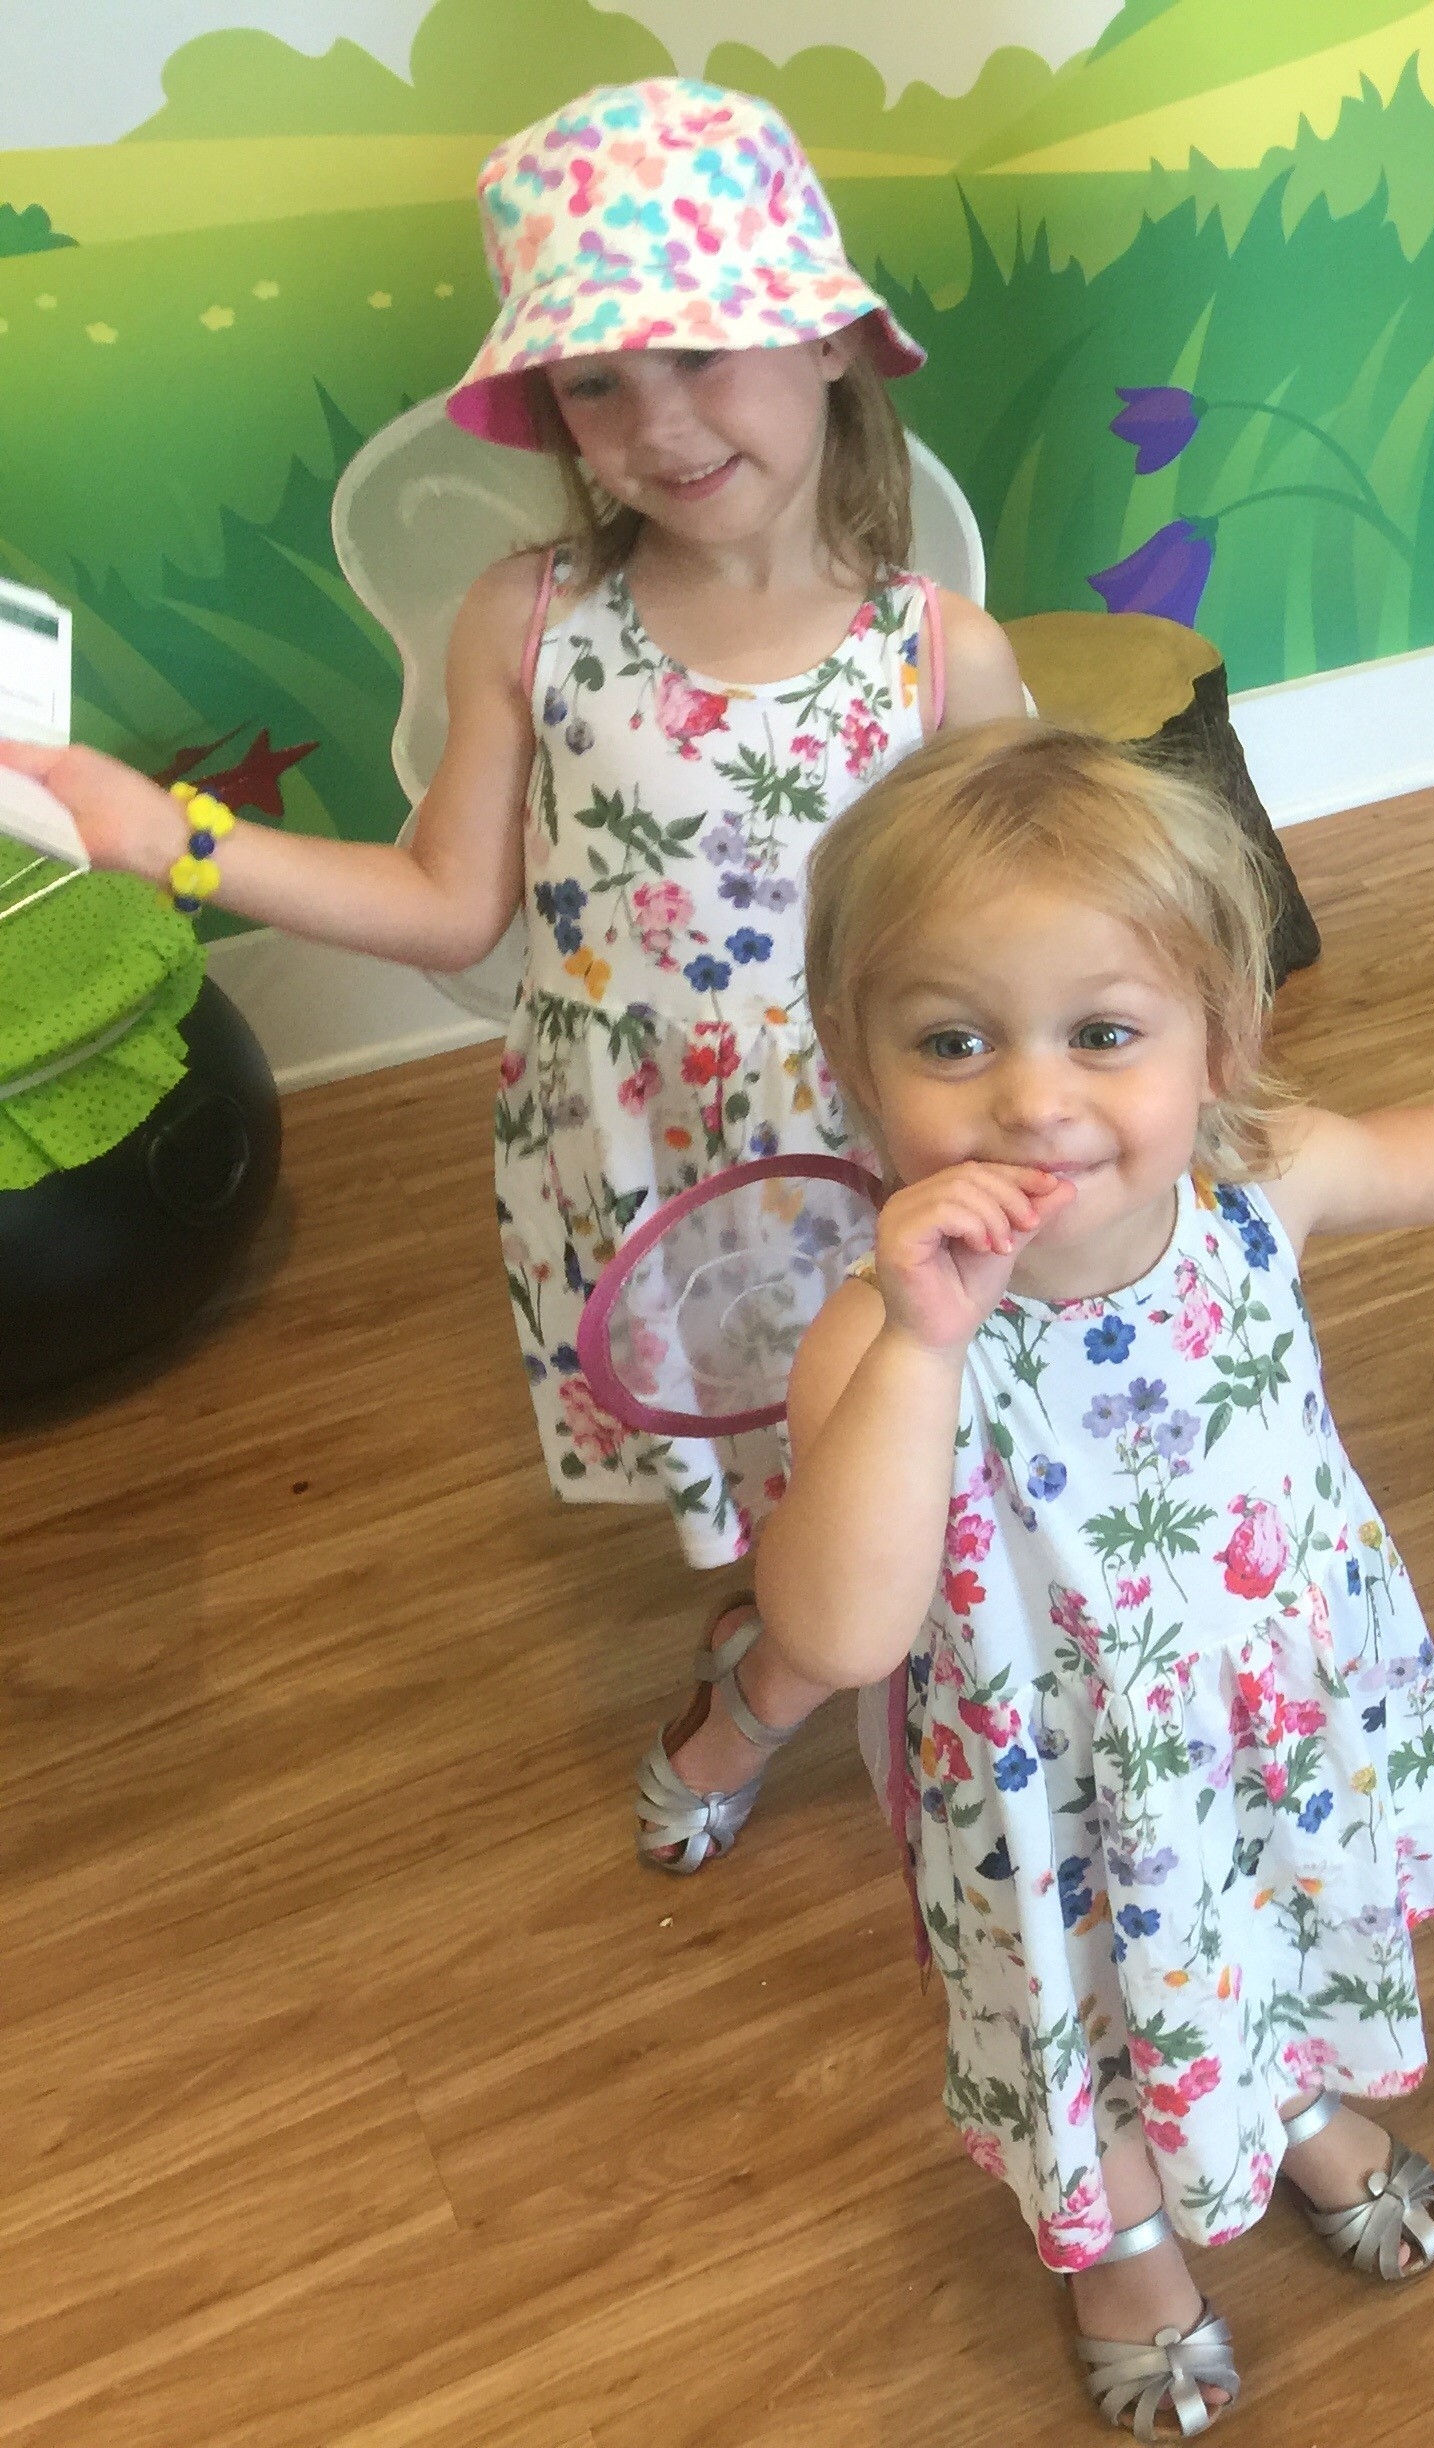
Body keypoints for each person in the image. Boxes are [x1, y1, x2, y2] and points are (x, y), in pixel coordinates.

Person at [703, 718, 1434, 2434]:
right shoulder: (881, 1343)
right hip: (1061, 1815)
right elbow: (836, 1630)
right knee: (1108, 2016)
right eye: (954, 1041)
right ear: (855, 1057)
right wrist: (914, 1342)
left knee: (1266, 1930)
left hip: (1275, 1728)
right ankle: (1119, 2235)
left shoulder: (1257, 1190)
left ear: (1221, 1043)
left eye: (1103, 1033)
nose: (1034, 1099)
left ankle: (1273, 2105)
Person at [0, 79, 1026, 1871]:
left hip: (873, 1165)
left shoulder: (939, 654)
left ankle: (766, 1694)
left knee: (903, 1443)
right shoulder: (531, 620)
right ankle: (802, 1627)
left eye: (702, 350)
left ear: (836, 344)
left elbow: (1028, 930)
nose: (657, 422)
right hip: (635, 1161)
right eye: (596, 383)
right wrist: (171, 839)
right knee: (781, 1461)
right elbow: (445, 903)